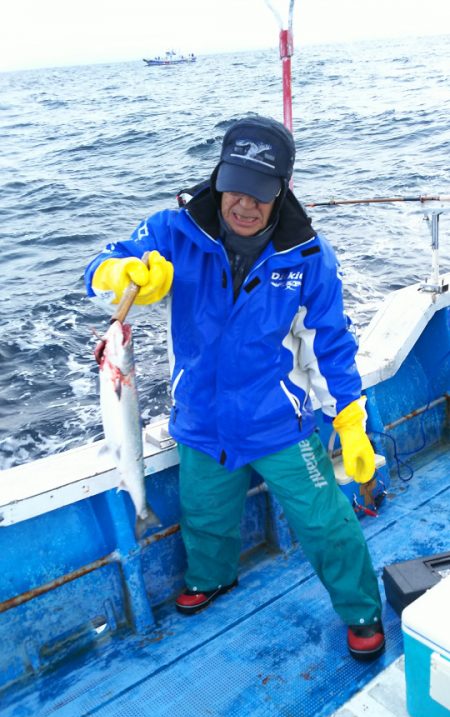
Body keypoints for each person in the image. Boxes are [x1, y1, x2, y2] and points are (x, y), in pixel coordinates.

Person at [85, 114, 385, 661]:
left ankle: (362, 609)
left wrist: (349, 419)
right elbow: (103, 262)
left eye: (261, 194)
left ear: (282, 192)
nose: (244, 205)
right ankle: (213, 577)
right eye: (235, 187)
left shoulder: (309, 258)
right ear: (219, 177)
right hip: (200, 419)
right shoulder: (175, 232)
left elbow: (330, 347)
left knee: (326, 522)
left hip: (278, 423)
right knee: (204, 516)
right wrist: (121, 274)